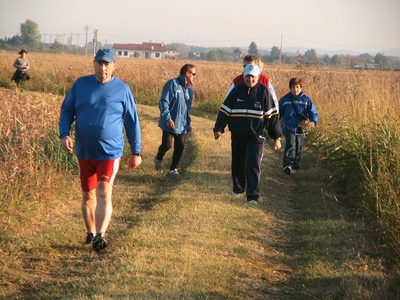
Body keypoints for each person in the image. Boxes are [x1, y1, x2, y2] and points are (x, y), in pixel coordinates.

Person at [58, 48, 142, 251]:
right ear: (93, 63)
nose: (103, 68)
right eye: (99, 63)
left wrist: (136, 152)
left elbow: (132, 121)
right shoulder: (81, 85)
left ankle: (100, 235)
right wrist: (65, 134)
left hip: (110, 152)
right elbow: (67, 110)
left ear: (114, 66)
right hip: (84, 150)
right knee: (88, 194)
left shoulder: (122, 89)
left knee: (104, 190)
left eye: (107, 64)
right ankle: (90, 232)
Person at [213, 64, 282, 205]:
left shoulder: (264, 93)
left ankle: (252, 196)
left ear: (257, 77)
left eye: (252, 76)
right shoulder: (236, 92)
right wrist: (219, 128)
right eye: (247, 76)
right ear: (243, 76)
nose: (250, 79)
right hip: (238, 135)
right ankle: (238, 190)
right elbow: (225, 111)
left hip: (256, 136)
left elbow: (272, 116)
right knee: (238, 162)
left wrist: (276, 137)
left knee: (253, 164)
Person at [154, 64, 195, 176]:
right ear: (187, 73)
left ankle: (173, 168)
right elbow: (164, 102)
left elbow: (187, 108)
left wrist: (188, 122)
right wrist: (168, 118)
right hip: (170, 122)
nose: (194, 76)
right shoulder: (172, 84)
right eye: (193, 74)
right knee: (167, 145)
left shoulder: (189, 89)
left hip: (182, 124)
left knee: (180, 146)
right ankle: (158, 158)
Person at [278, 77, 319, 175]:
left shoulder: (306, 100)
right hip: (288, 127)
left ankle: (295, 165)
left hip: (301, 128)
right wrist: (274, 123)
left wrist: (313, 122)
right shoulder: (285, 99)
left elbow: (313, 112)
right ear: (290, 88)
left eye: (297, 87)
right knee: (291, 144)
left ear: (301, 88)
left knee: (298, 146)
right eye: (293, 87)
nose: (295, 89)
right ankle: (288, 165)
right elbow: (278, 113)